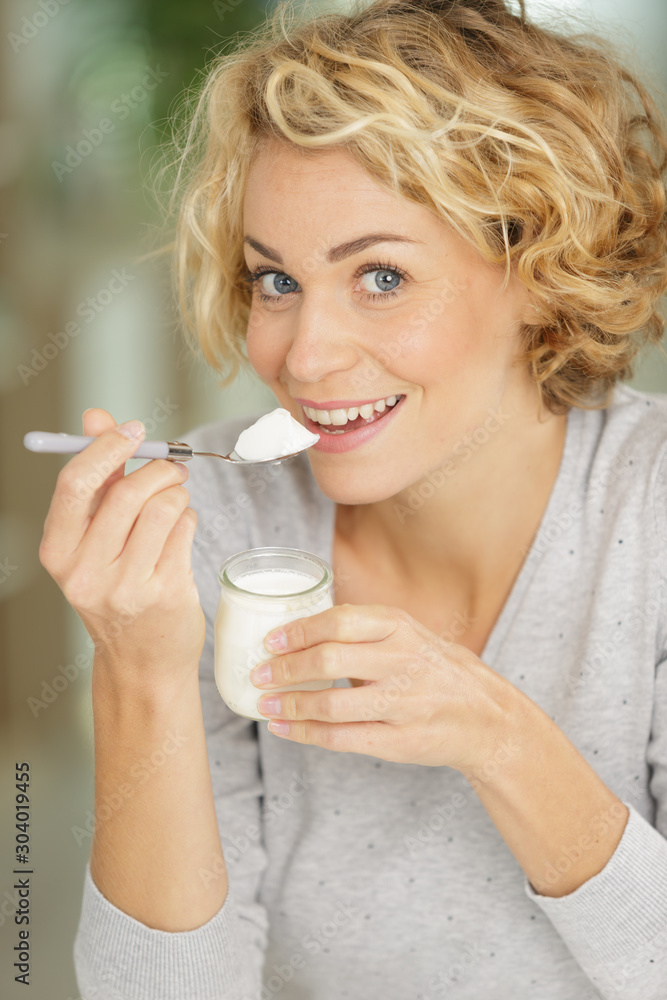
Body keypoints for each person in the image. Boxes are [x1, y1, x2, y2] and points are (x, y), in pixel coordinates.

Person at [37, 0, 667, 996]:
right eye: (275, 281)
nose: (305, 355)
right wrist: (139, 673)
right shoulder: (224, 519)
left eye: (380, 275)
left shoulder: (651, 514)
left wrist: (495, 734)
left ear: (539, 269)